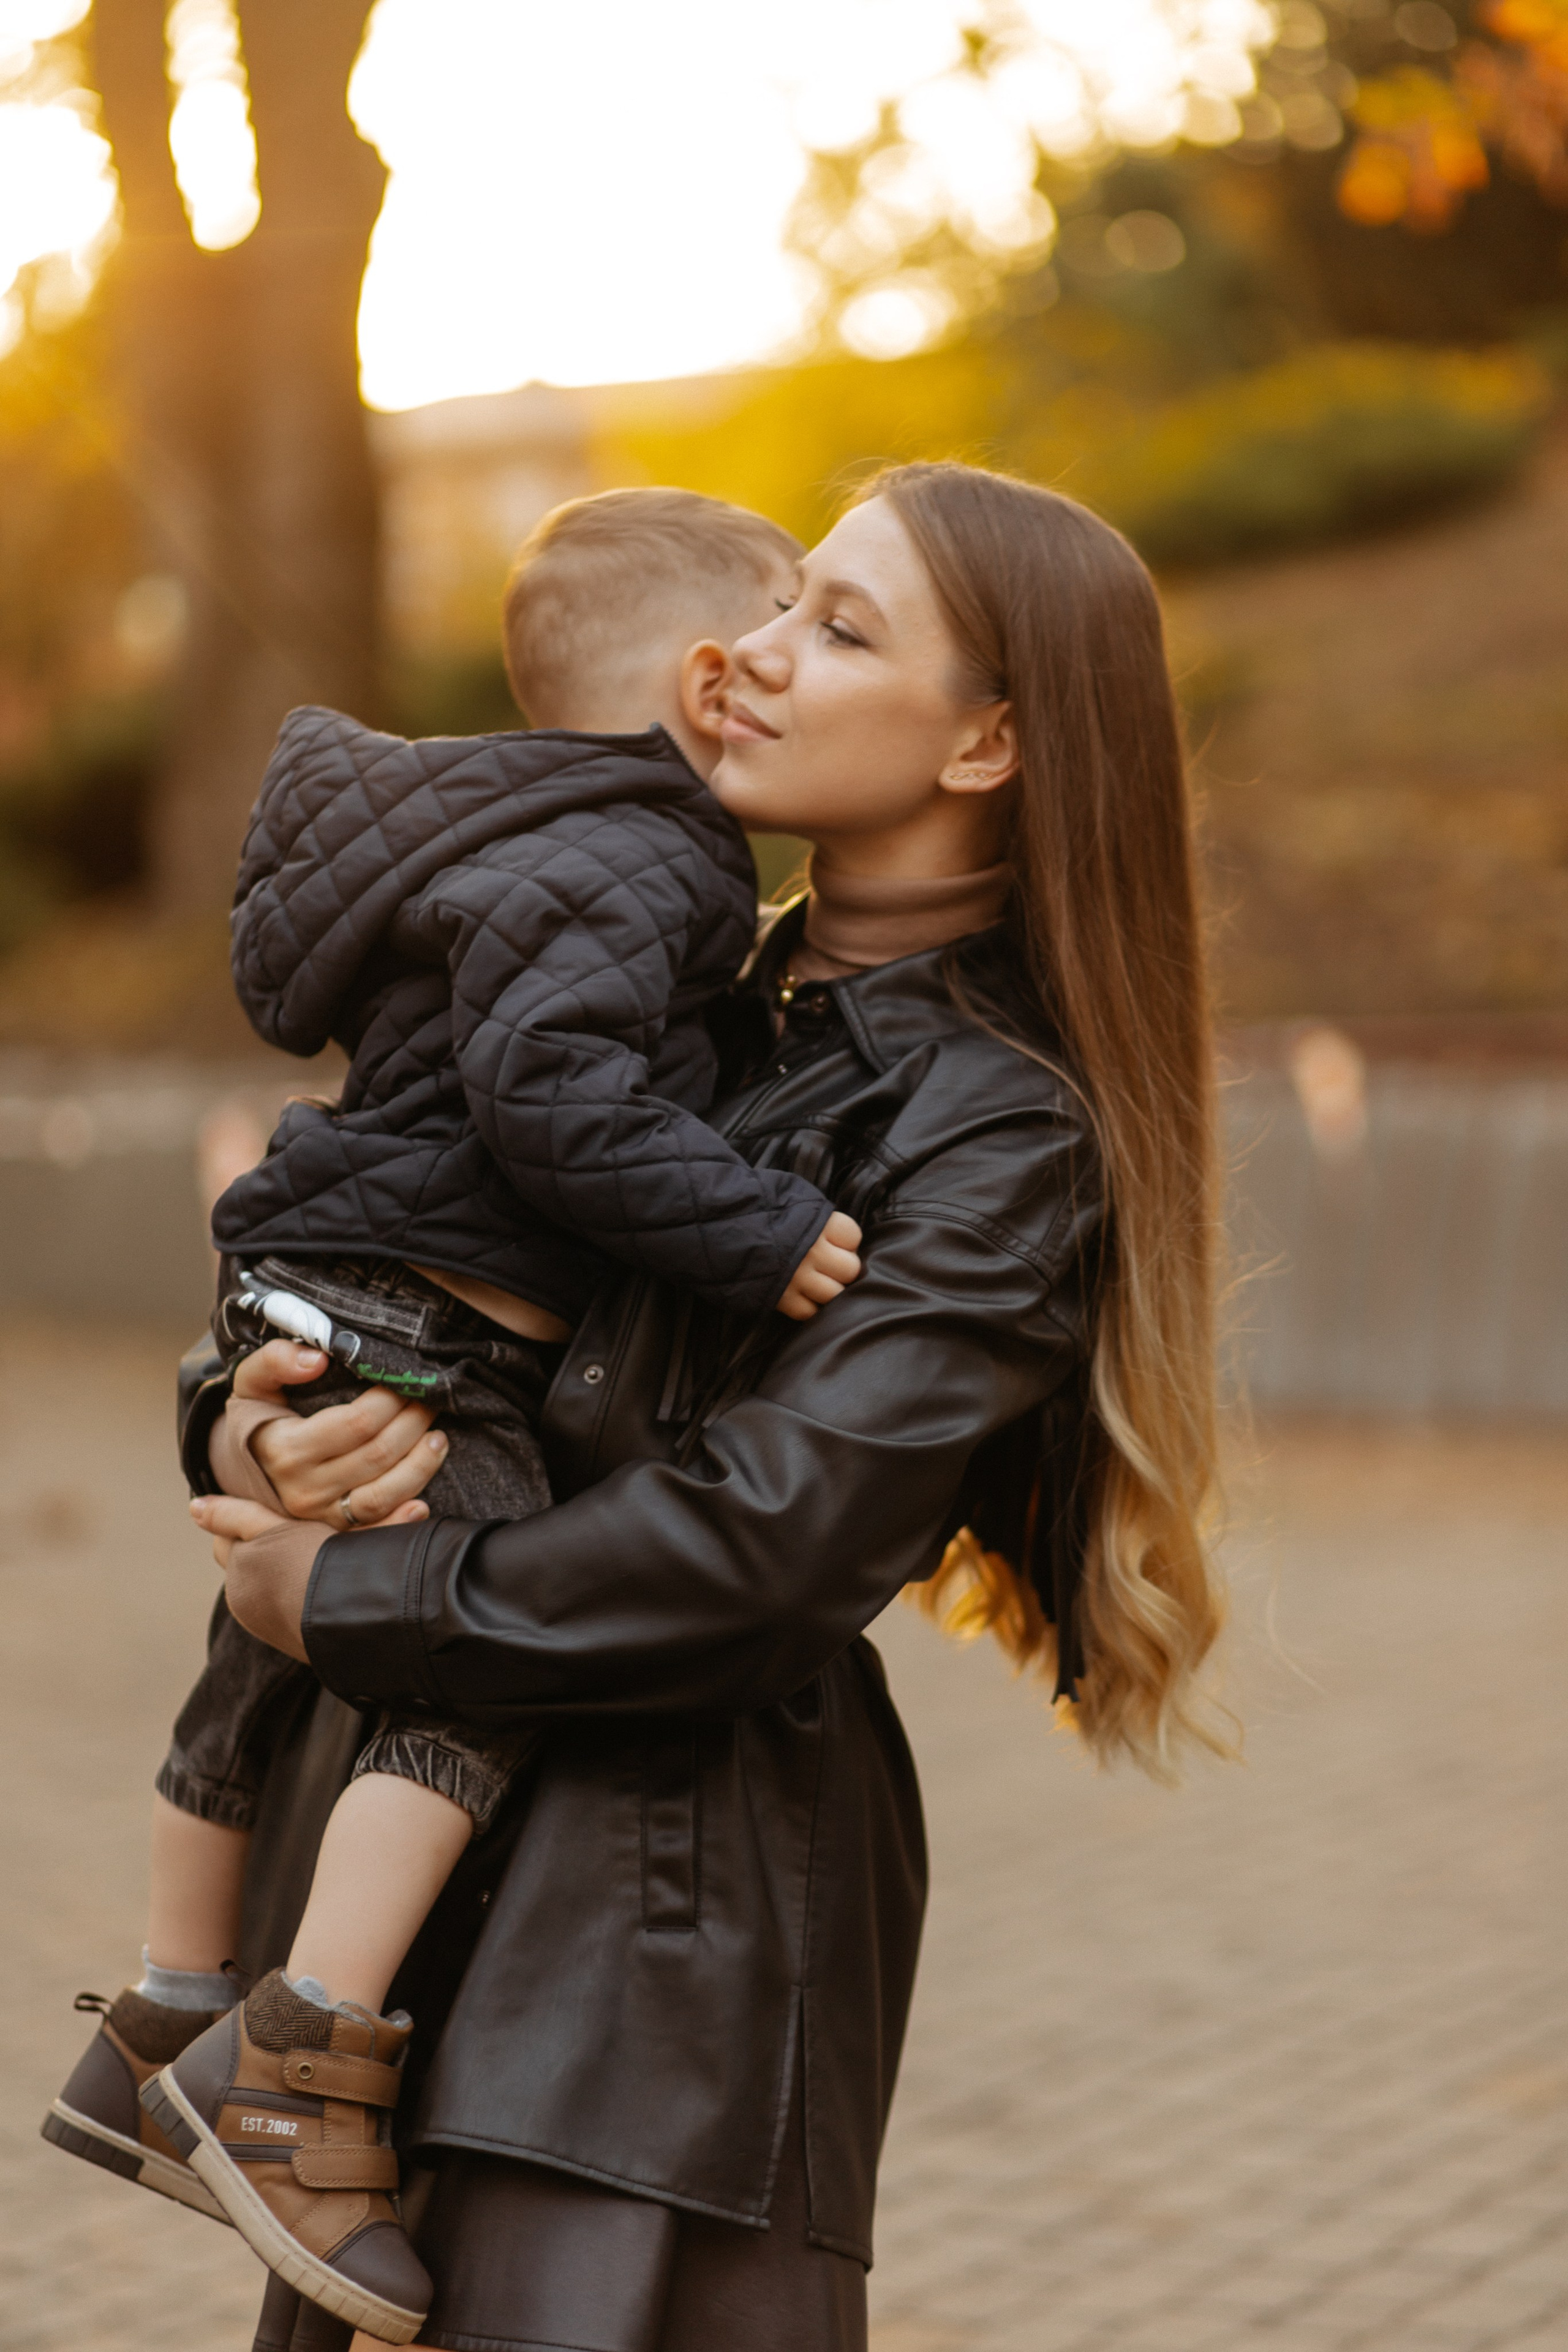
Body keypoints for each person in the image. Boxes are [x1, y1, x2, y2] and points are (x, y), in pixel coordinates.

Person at [160, 461, 1229, 2352]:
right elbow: (357, 1228)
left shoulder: (997, 1127)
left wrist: (344, 1598)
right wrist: (263, 1425)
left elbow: (772, 1543)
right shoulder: (655, 985)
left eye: (841, 625)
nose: (754, 653)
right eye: (780, 596)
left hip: (658, 1953)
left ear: (988, 743)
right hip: (391, 1936)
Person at [43, 488, 867, 2345]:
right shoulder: (656, 858)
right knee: (470, 1655)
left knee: (259, 1641)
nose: (806, 660)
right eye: (800, 622)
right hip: (425, 1318)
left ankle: (172, 2009)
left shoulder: (528, 829)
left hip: (327, 1281)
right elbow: (549, 1094)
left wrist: (239, 1420)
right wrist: (760, 1231)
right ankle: (297, 2062)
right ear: (714, 676)